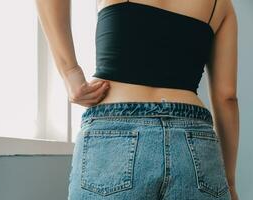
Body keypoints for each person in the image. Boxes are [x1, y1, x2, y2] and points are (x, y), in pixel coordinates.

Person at [35, 0, 239, 199]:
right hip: (196, 142)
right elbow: (226, 97)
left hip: (115, 132)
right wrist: (229, 182)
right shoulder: (221, 4)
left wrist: (70, 71)